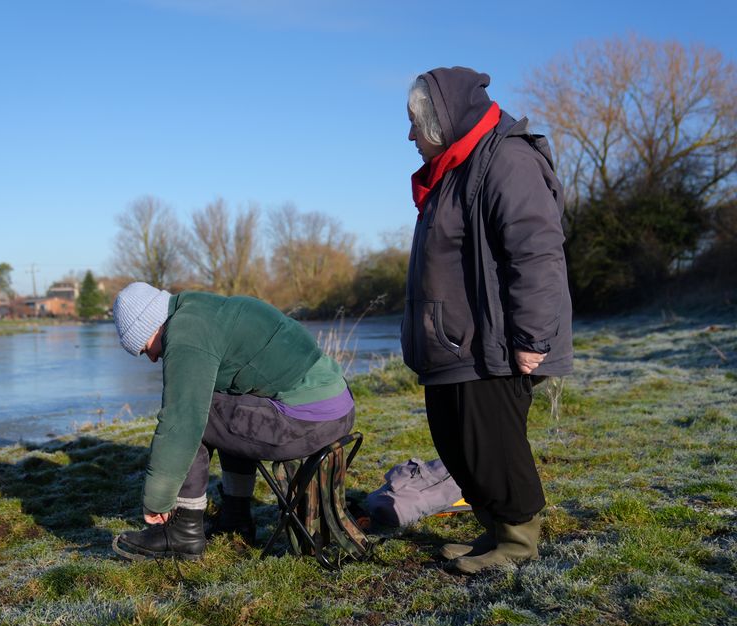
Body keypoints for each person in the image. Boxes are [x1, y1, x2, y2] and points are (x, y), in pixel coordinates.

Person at [401, 67, 573, 573]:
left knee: (492, 447)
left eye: (415, 123)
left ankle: (518, 541)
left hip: (492, 345)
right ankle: (495, 530)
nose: (410, 135)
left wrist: (532, 337)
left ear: (444, 118)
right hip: (453, 346)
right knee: (457, 445)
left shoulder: (507, 160)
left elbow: (537, 253)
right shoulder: (457, 166)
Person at [110, 282, 355, 560]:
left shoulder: (186, 333)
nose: (152, 358)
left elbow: (182, 421)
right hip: (335, 407)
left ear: (150, 326)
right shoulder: (200, 309)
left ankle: (184, 530)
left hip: (307, 421)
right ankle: (236, 515)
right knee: (221, 400)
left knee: (198, 412)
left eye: (144, 349)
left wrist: (157, 500)